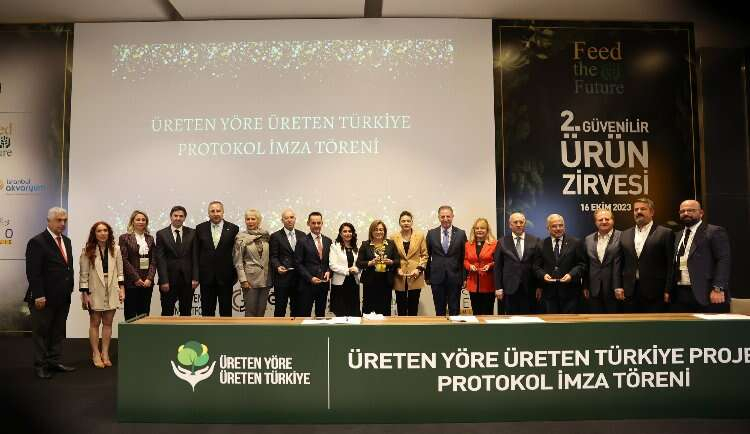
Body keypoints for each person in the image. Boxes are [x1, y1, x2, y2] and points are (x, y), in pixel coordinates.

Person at [25, 207, 76, 379]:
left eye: (65, 220)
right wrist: (39, 295)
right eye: (59, 220)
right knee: (41, 333)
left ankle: (53, 362)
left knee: (57, 332)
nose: (62, 223)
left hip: (63, 297)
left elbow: (67, 267)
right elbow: (33, 272)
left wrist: (70, 287)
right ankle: (40, 366)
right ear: (49, 221)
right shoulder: (37, 242)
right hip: (43, 298)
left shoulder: (66, 241)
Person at [671, 199, 731, 313]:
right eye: (682, 211)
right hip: (681, 293)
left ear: (701, 213)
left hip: (707, 293)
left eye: (691, 210)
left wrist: (718, 288)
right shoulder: (678, 235)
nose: (686, 213)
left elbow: (723, 260)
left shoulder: (714, 231)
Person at [79, 221, 124, 368]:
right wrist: (84, 294)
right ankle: (96, 353)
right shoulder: (87, 250)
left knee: (108, 323)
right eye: (99, 231)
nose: (103, 233)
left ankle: (105, 353)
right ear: (94, 233)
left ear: (109, 232)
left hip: (112, 289)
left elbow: (120, 272)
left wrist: (122, 289)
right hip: (94, 289)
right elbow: (83, 275)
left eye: (105, 230)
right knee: (95, 322)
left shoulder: (116, 249)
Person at [620, 198, 675, 313]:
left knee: (653, 324)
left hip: (655, 292)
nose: (638, 212)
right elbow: (621, 263)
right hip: (630, 291)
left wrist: (668, 289)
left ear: (652, 212)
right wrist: (619, 286)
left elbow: (671, 264)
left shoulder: (665, 233)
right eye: (636, 209)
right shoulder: (624, 234)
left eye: (643, 209)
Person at [534, 214, 586, 314]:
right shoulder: (541, 244)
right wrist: (543, 275)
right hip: (549, 294)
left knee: (570, 323)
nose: (558, 228)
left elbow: (582, 264)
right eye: (554, 226)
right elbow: (536, 267)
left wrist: (571, 275)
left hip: (571, 293)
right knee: (552, 323)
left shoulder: (576, 242)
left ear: (564, 226)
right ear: (548, 228)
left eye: (561, 225)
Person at [195, 201, 239, 316]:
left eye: (218, 211)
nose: (215, 214)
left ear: (223, 212)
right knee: (207, 311)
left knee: (226, 312)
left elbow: (236, 253)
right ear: (208, 213)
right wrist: (196, 275)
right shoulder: (200, 228)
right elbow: (196, 253)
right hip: (206, 277)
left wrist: (235, 274)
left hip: (226, 277)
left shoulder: (234, 228)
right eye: (212, 211)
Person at [494, 212, 542, 315]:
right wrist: (498, 287)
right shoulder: (502, 242)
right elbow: (497, 267)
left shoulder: (535, 240)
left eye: (521, 222)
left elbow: (538, 266)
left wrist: (539, 286)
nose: (519, 224)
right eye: (515, 222)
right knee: (511, 319)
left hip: (529, 288)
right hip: (509, 288)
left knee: (529, 318)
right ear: (510, 225)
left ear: (525, 224)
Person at [155, 205, 199, 316]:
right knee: (167, 312)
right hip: (168, 281)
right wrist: (164, 280)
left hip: (187, 280)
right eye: (175, 216)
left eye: (181, 216)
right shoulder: (161, 234)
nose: (178, 218)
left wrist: (195, 278)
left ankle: (185, 329)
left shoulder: (193, 233)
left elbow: (195, 257)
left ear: (184, 218)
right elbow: (160, 259)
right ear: (171, 217)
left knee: (186, 312)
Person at [426, 205, 467, 316]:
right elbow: (427, 256)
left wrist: (464, 277)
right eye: (442, 216)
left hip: (455, 277)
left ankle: (455, 328)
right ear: (438, 217)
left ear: (452, 216)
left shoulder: (461, 234)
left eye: (448, 216)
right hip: (437, 278)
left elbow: (464, 257)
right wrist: (427, 276)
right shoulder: (431, 234)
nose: (445, 219)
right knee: (439, 311)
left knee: (454, 310)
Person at [582, 208, 623, 314]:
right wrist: (585, 286)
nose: (604, 222)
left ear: (613, 221)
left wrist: (620, 286)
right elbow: (587, 264)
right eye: (600, 220)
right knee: (595, 321)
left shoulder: (622, 236)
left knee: (614, 321)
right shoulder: (588, 239)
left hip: (615, 289)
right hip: (594, 289)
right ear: (596, 222)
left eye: (607, 219)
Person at [119, 210, 156, 320]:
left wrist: (149, 278)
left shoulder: (150, 238)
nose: (141, 222)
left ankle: (143, 333)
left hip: (147, 283)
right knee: (130, 314)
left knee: (144, 314)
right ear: (132, 221)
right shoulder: (124, 238)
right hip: (131, 282)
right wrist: (136, 278)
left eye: (143, 220)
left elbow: (154, 260)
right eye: (138, 219)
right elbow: (124, 260)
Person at [234, 209, 272, 317]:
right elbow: (238, 261)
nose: (250, 221)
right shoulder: (240, 237)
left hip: (265, 279)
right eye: (248, 219)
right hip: (249, 280)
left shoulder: (266, 236)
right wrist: (243, 280)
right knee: (250, 313)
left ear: (258, 220)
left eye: (253, 219)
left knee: (261, 312)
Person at [357, 220, 400, 315]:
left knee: (385, 309)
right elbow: (359, 263)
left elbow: (398, 261)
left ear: (384, 231)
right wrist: (370, 263)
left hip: (386, 281)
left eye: (381, 229)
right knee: (368, 308)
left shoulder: (391, 244)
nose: (378, 232)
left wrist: (391, 262)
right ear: (371, 231)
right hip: (370, 281)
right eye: (376, 229)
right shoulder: (365, 244)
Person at [294, 212, 332, 317]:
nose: (316, 225)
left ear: (322, 223)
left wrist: (329, 271)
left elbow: (331, 262)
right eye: (313, 223)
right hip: (307, 285)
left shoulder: (328, 241)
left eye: (318, 223)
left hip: (323, 285)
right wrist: (310, 278)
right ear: (308, 224)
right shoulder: (302, 241)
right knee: (304, 315)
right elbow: (298, 263)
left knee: (321, 316)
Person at [269, 209, 306, 317]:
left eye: (291, 217)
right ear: (282, 220)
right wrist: (278, 266)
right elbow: (273, 256)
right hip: (282, 279)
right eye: (286, 218)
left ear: (295, 219)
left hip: (299, 279)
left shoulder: (302, 235)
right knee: (280, 310)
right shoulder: (275, 236)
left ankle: (296, 329)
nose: (289, 220)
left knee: (297, 310)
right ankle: (279, 328)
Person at [391, 211, 428, 316]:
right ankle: (401, 326)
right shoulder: (393, 237)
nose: (406, 223)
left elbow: (425, 255)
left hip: (415, 275)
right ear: (399, 223)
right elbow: (392, 256)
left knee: (413, 306)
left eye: (408, 221)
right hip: (399, 275)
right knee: (401, 306)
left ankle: (413, 325)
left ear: (412, 222)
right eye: (403, 221)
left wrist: (419, 269)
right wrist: (397, 269)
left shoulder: (420, 236)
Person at [463, 218, 497, 315]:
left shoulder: (494, 244)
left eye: (482, 228)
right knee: (476, 313)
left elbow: (498, 261)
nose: (479, 230)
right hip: (473, 284)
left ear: (487, 230)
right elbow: (465, 260)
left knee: (487, 313)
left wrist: (490, 265)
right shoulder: (468, 244)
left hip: (488, 284)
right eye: (477, 228)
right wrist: (470, 266)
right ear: (474, 230)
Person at [329, 222, 361, 316]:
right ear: (340, 233)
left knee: (354, 313)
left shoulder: (357, 247)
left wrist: (357, 269)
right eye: (345, 231)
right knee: (340, 313)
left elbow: (360, 264)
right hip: (339, 285)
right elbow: (332, 265)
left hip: (354, 283)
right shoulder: (335, 246)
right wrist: (348, 270)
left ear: (353, 233)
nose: (347, 233)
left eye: (350, 231)